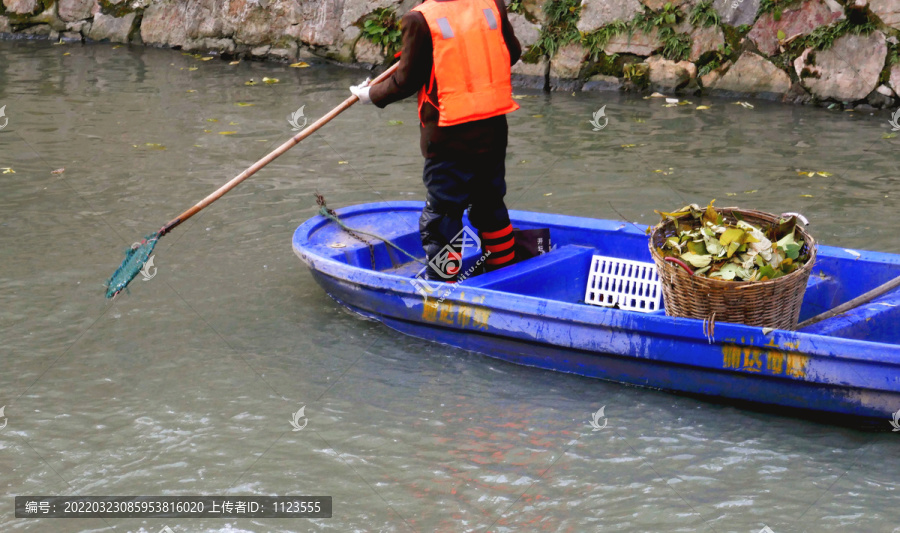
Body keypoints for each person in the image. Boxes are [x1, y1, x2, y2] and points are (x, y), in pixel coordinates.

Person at [349, 0, 521, 282]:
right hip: (493, 128)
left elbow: (406, 80)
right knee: (490, 202)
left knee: (443, 214)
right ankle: (506, 270)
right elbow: (511, 53)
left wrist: (370, 95)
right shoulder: (491, 4)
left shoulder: (419, 19)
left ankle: (442, 284)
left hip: (448, 135)